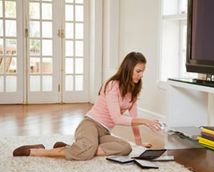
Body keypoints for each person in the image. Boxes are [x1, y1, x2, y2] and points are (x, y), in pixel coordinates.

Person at [13, 52, 162, 160]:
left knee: (125, 148)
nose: (141, 75)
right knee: (85, 154)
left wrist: (138, 143)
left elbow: (134, 118)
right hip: (90, 124)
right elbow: (117, 118)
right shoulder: (112, 85)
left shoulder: (134, 90)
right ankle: (37, 151)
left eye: (143, 72)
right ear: (128, 69)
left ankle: (80, 147)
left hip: (104, 133)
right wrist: (145, 121)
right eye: (138, 71)